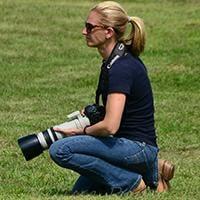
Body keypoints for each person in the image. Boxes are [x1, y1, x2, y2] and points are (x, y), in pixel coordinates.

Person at [49, 1, 174, 195]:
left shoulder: (121, 67)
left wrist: (82, 131)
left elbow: (110, 126)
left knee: (60, 150)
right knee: (80, 192)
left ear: (108, 32)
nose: (84, 31)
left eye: (90, 27)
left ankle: (132, 183)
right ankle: (153, 171)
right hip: (125, 145)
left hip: (136, 146)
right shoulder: (114, 61)